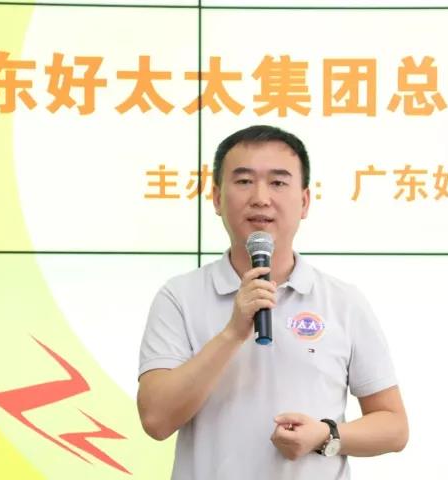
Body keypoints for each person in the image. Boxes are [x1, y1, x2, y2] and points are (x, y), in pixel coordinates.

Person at [137, 125, 408, 479]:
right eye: (244, 181)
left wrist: (325, 435)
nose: (261, 198)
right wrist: (233, 333)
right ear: (216, 198)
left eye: (278, 182)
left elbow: (393, 426)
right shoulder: (180, 297)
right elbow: (156, 419)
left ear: (305, 201)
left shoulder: (342, 301)